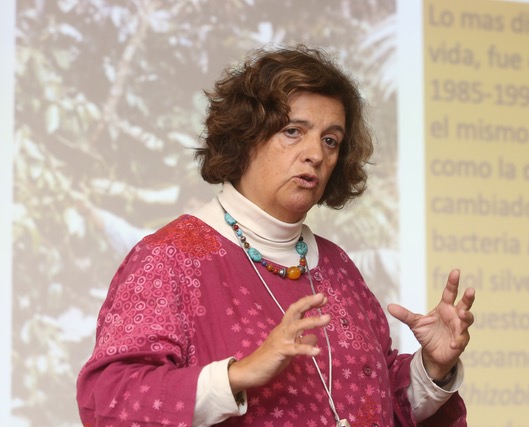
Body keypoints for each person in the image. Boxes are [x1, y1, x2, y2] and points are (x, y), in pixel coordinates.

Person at [76, 45, 475, 427]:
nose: (315, 154)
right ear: (247, 136)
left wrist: (431, 368)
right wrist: (236, 375)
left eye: (330, 140)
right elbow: (110, 401)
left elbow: (376, 400)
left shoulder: (337, 265)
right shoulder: (170, 257)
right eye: (293, 131)